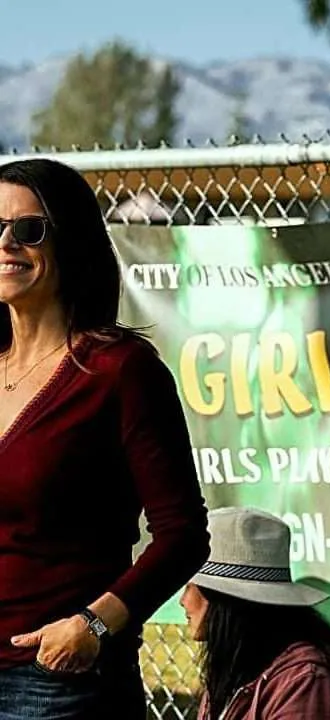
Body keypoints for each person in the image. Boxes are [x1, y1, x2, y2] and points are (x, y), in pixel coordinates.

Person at [0, 157, 210, 719]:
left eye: (28, 229)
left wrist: (93, 624)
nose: (6, 244)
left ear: (70, 242)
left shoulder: (118, 370)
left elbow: (183, 535)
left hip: (56, 682)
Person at [180, 506, 330, 719]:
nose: (183, 601)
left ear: (224, 600)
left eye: (191, 586)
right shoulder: (233, 670)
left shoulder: (304, 683)